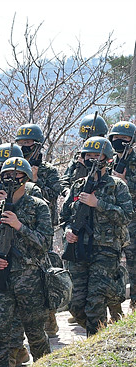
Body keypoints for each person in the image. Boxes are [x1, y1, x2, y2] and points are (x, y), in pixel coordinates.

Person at [0, 157, 53, 367]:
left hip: (29, 280)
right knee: (0, 331)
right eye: (6, 175)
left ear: (25, 177)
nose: (11, 179)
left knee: (35, 330)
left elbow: (44, 243)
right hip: (2, 280)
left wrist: (19, 226)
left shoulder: (38, 207)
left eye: (16, 175)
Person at [61, 136, 133, 336]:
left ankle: (95, 342)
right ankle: (103, 333)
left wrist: (98, 204)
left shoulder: (117, 186)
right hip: (79, 250)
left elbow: (126, 216)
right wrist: (68, 230)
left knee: (95, 302)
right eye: (89, 155)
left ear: (108, 159)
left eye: (97, 155)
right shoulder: (77, 186)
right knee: (76, 305)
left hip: (105, 251)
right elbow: (65, 216)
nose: (92, 159)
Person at [14, 123, 62, 337]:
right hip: (17, 228)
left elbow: (55, 193)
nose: (24, 147)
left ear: (38, 145)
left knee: (45, 272)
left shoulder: (48, 170)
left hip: (42, 229)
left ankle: (50, 317)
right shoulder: (13, 168)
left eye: (28, 143)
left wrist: (34, 179)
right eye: (21, 143)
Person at [108, 121, 136, 313]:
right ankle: (114, 310)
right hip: (111, 223)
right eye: (116, 138)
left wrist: (125, 183)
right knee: (110, 267)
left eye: (124, 139)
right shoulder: (107, 161)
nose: (119, 142)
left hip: (133, 221)